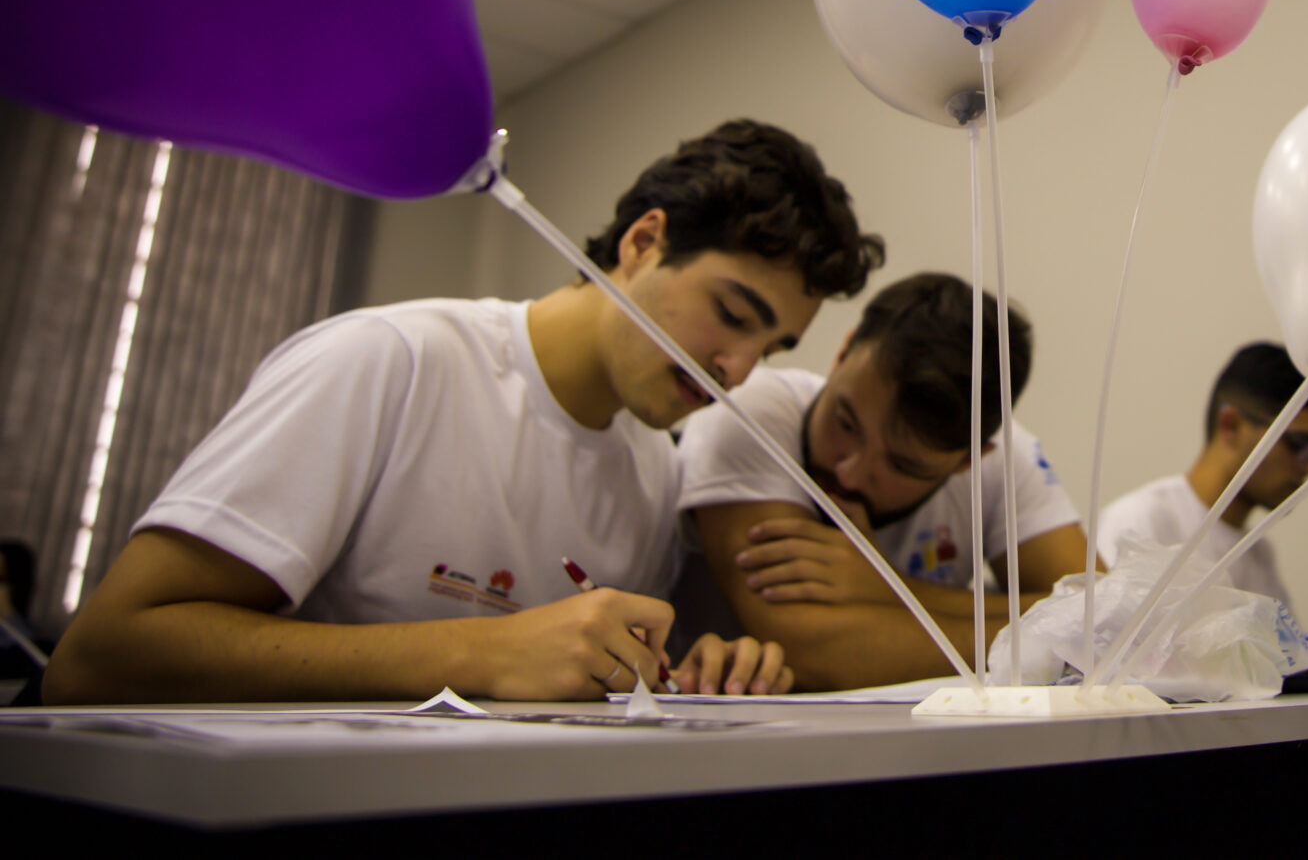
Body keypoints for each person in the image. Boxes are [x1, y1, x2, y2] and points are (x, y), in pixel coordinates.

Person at [43, 120, 884, 705]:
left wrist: (701, 668)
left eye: (771, 346)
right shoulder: (389, 361)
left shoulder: (655, 468)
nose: (737, 369)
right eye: (732, 314)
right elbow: (100, 657)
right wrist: (480, 652)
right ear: (642, 242)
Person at [674, 272, 1087, 690]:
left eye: (902, 466)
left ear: (969, 461)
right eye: (845, 422)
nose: (849, 472)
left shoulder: (1007, 459)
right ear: (842, 354)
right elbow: (811, 652)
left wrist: (891, 586)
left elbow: (1102, 619)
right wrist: (1045, 639)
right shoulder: (752, 414)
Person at [1097, 342, 1308, 662]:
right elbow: (1117, 659)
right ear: (1231, 426)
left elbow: (1270, 668)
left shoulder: (1258, 553)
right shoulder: (1141, 520)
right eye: (1300, 445)